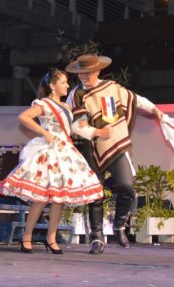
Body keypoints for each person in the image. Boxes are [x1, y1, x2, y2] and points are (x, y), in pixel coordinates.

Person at [65, 53, 164, 254]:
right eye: (81, 74)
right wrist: (96, 132)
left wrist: (155, 110)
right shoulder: (76, 95)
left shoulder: (111, 87)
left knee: (127, 187)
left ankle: (119, 225)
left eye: (88, 73)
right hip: (91, 148)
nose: (84, 77)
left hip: (115, 145)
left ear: (97, 71)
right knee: (96, 193)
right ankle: (98, 237)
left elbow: (134, 99)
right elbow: (75, 125)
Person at [0, 68, 104, 254]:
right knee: (40, 199)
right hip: (50, 152)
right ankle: (27, 237)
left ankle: (51, 238)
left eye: (66, 82)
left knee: (59, 199)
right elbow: (23, 117)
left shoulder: (67, 107)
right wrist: (44, 132)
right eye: (63, 82)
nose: (67, 85)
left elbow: (73, 128)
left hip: (66, 152)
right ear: (52, 86)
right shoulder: (44, 104)